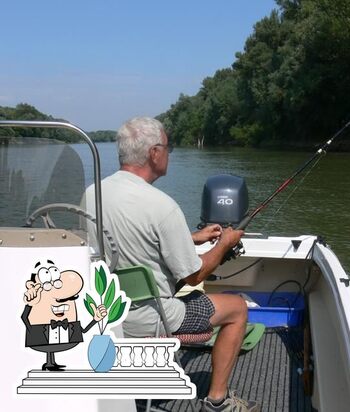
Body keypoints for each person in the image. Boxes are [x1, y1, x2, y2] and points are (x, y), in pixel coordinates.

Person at [84, 117, 258, 411]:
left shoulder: (92, 193)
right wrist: (224, 244)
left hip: (105, 312)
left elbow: (133, 241)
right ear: (154, 153)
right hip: (151, 318)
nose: (169, 153)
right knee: (238, 308)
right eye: (168, 147)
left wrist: (190, 238)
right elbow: (195, 275)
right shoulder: (162, 206)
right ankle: (218, 401)